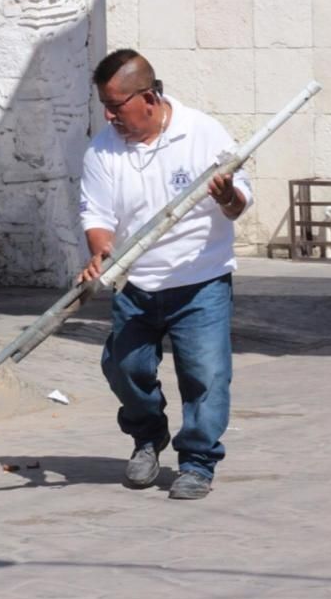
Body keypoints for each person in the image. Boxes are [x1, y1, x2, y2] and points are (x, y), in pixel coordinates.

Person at [78, 49, 253, 500]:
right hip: (136, 283)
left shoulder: (202, 133)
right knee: (123, 367)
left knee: (206, 377)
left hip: (201, 280)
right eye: (104, 105)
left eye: (116, 105)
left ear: (150, 98)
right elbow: (96, 215)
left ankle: (197, 463)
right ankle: (148, 436)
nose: (109, 115)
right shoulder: (103, 149)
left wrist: (227, 196)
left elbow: (239, 203)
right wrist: (101, 251)